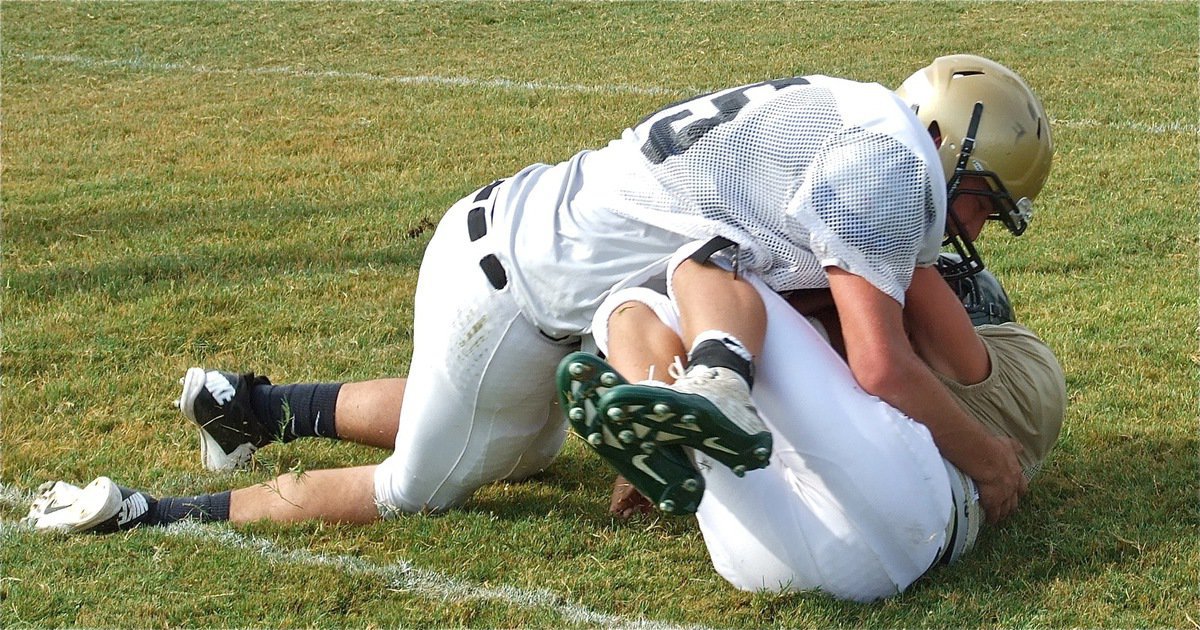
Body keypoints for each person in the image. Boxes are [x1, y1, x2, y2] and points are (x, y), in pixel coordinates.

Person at [24, 55, 1050, 537]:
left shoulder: (860, 114)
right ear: (955, 153)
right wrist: (988, 454)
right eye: (981, 204)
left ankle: (254, 407)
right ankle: (155, 513)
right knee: (421, 489)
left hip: (514, 242)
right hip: (518, 296)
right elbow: (878, 362)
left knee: (527, 435)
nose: (967, 229)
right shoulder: (889, 172)